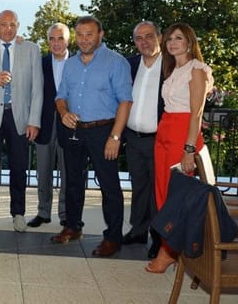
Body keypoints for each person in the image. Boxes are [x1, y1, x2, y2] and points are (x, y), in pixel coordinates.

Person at [51, 15, 132, 258]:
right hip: (75, 130)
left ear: (100, 35)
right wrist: (64, 113)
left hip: (103, 131)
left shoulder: (116, 62)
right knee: (73, 182)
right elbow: (60, 96)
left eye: (89, 34)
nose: (84, 39)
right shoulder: (71, 64)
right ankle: (73, 227)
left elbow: (125, 101)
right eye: (80, 34)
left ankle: (113, 238)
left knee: (109, 186)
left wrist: (115, 137)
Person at [146, 22, 213, 273]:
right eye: (170, 39)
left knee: (176, 196)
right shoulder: (173, 70)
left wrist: (189, 149)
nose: (172, 43)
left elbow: (196, 114)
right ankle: (169, 247)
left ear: (189, 42)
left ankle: (169, 252)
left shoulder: (197, 70)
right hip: (164, 133)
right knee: (162, 193)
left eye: (179, 38)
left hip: (182, 136)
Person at [0, 10, 43, 234]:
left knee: (19, 167)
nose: (8, 29)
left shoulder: (31, 49)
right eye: (4, 24)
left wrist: (34, 120)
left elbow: (37, 88)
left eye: (12, 24)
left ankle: (18, 213)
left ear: (18, 25)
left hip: (19, 117)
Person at [123, 21, 164, 259]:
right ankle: (138, 230)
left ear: (159, 37)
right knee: (139, 187)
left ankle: (158, 237)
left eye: (149, 36)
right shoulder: (129, 64)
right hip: (133, 138)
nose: (144, 42)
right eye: (139, 38)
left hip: (160, 139)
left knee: (158, 191)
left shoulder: (170, 66)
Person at [28, 23, 71, 228]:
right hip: (43, 124)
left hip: (70, 125)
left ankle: (66, 214)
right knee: (43, 171)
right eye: (52, 39)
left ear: (68, 40)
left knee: (67, 172)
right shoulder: (40, 63)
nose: (56, 43)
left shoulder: (78, 62)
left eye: (60, 38)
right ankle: (43, 212)